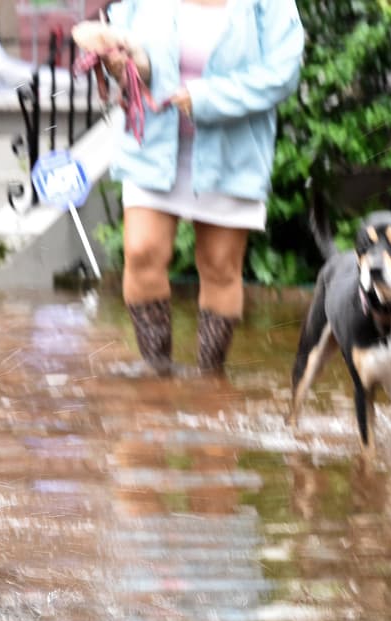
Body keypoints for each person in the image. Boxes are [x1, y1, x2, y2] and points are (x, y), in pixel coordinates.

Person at [81, 0, 304, 375]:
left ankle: (209, 381)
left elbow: (282, 73)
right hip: (152, 146)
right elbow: (130, 53)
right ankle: (157, 376)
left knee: (220, 267)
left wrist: (206, 98)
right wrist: (120, 64)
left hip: (232, 155)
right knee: (141, 253)